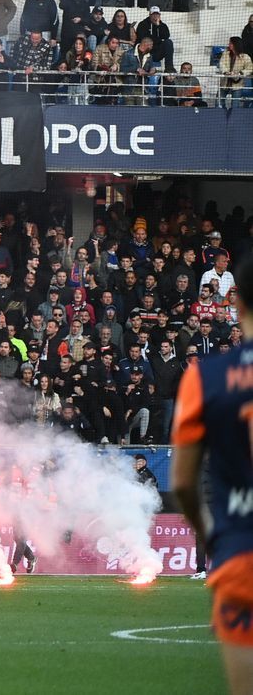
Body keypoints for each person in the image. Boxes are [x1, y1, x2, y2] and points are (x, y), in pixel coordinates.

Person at [172, 256, 253, 693]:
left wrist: (212, 537)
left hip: (241, 549)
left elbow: (183, 482)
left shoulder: (207, 376)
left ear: (235, 302)